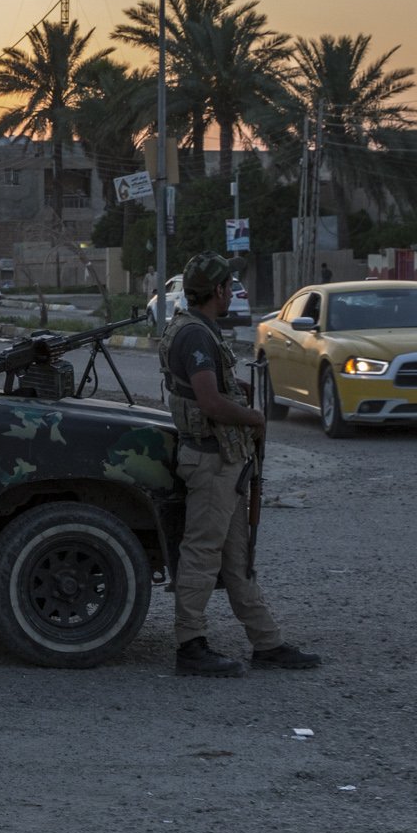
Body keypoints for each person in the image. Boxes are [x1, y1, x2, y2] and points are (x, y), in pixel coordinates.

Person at [163, 253, 318, 679]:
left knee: (237, 557)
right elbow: (210, 403)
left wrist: (237, 388)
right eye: (228, 286)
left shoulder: (195, 329)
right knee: (202, 553)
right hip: (211, 460)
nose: (232, 293)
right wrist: (254, 417)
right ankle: (190, 647)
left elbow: (207, 389)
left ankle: (266, 643)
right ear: (216, 291)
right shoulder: (195, 336)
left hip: (223, 460)